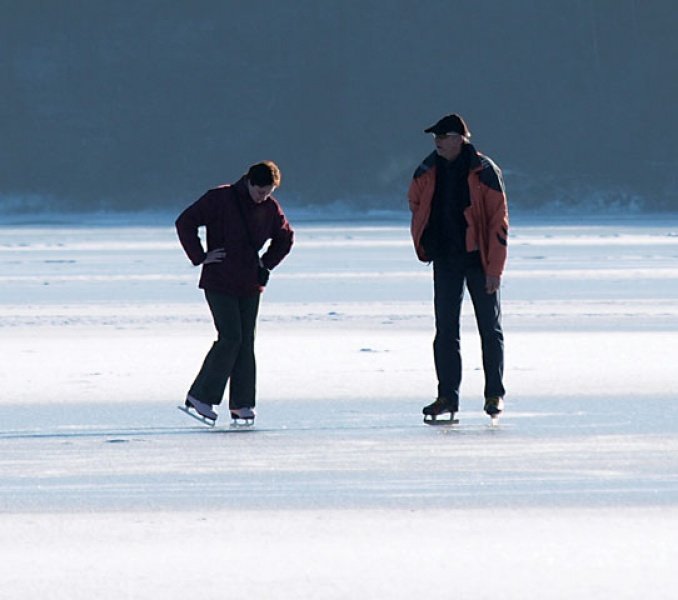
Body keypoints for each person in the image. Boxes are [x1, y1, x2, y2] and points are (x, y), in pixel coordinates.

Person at [175, 161, 294, 424]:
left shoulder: (270, 208)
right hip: (219, 280)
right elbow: (185, 222)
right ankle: (200, 396)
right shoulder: (220, 198)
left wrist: (266, 263)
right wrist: (200, 256)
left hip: (250, 283)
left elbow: (285, 237)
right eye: (261, 191)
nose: (264, 197)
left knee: (245, 341)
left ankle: (242, 404)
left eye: (269, 192)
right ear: (249, 182)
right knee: (230, 337)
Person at [408, 113, 508, 423]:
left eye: (444, 135)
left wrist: (495, 268)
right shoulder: (427, 170)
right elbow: (415, 201)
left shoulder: (485, 171)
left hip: (479, 259)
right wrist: (427, 237)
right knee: (445, 330)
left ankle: (494, 394)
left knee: (489, 329)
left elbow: (498, 221)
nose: (437, 141)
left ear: (460, 138)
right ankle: (447, 396)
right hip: (446, 259)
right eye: (435, 136)